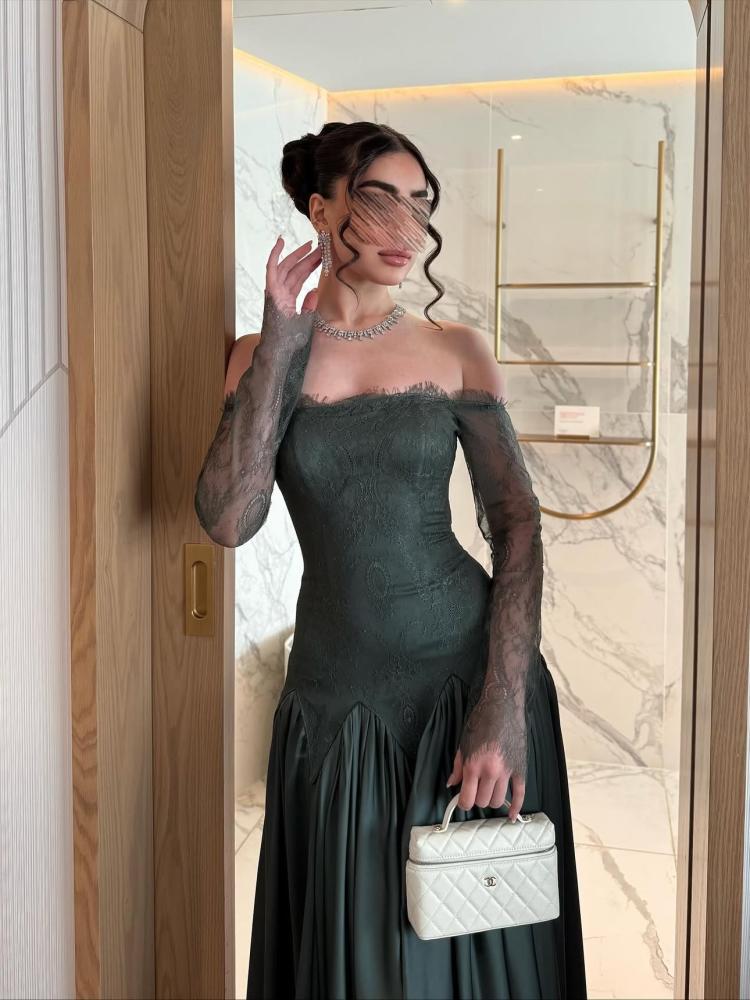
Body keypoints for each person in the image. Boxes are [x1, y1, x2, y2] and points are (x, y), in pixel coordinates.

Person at [194, 121, 587, 1000]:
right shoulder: (260, 356)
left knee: (469, 933)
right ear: (319, 207)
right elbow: (228, 519)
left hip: (466, 677)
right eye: (381, 202)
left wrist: (502, 707)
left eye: (421, 205)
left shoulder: (456, 350)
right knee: (360, 944)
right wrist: (281, 342)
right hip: (336, 693)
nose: (408, 228)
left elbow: (517, 523)